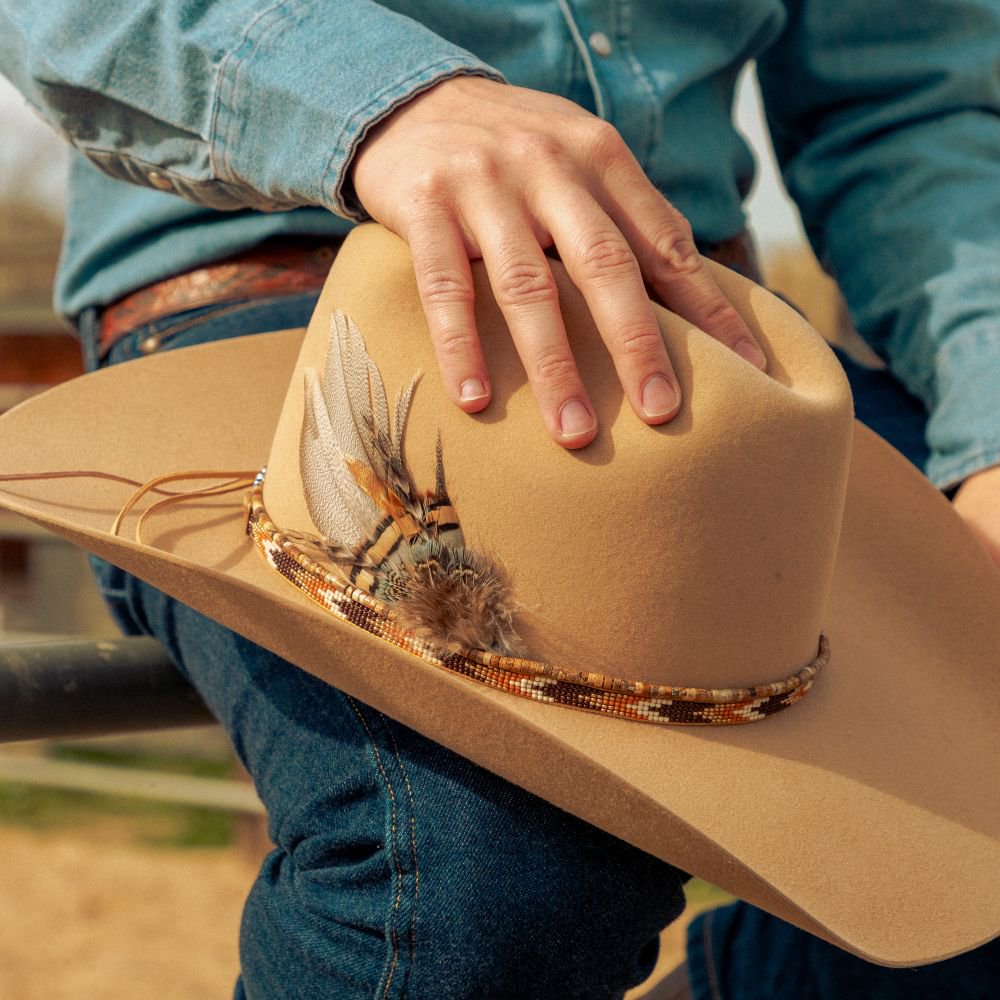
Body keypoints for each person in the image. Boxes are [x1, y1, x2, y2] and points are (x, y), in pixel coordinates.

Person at [1, 2, 998, 997]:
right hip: (316, 277)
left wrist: (990, 423)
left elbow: (906, 101)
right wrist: (375, 101)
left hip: (725, 370)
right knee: (478, 873)